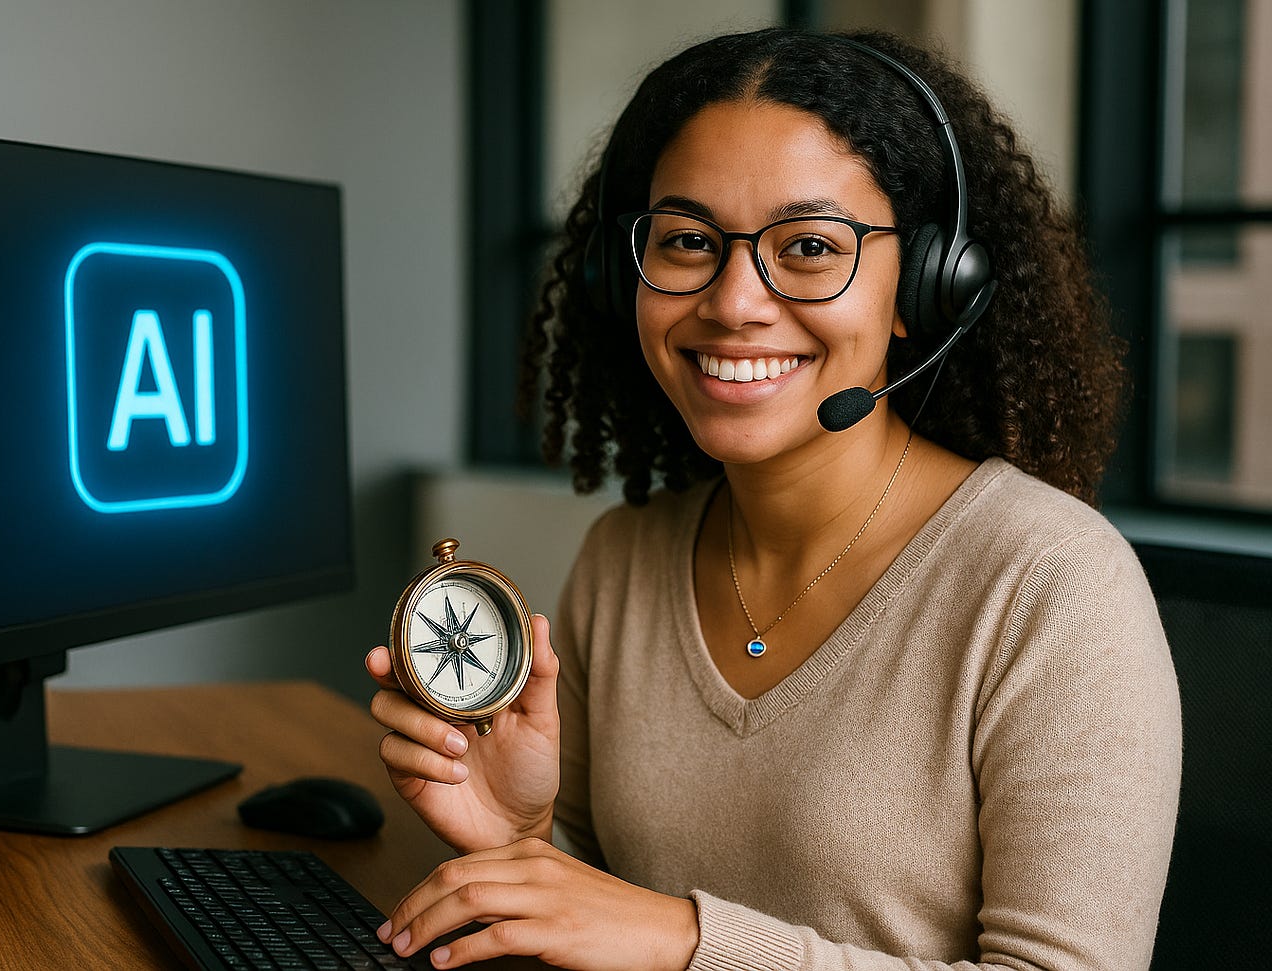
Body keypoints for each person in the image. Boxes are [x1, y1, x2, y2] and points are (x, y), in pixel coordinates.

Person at [365, 27, 1181, 971]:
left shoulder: (1052, 587)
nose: (734, 301)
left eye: (807, 246)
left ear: (923, 288)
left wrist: (688, 938)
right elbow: (592, 917)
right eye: (685, 241)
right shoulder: (623, 558)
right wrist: (522, 834)